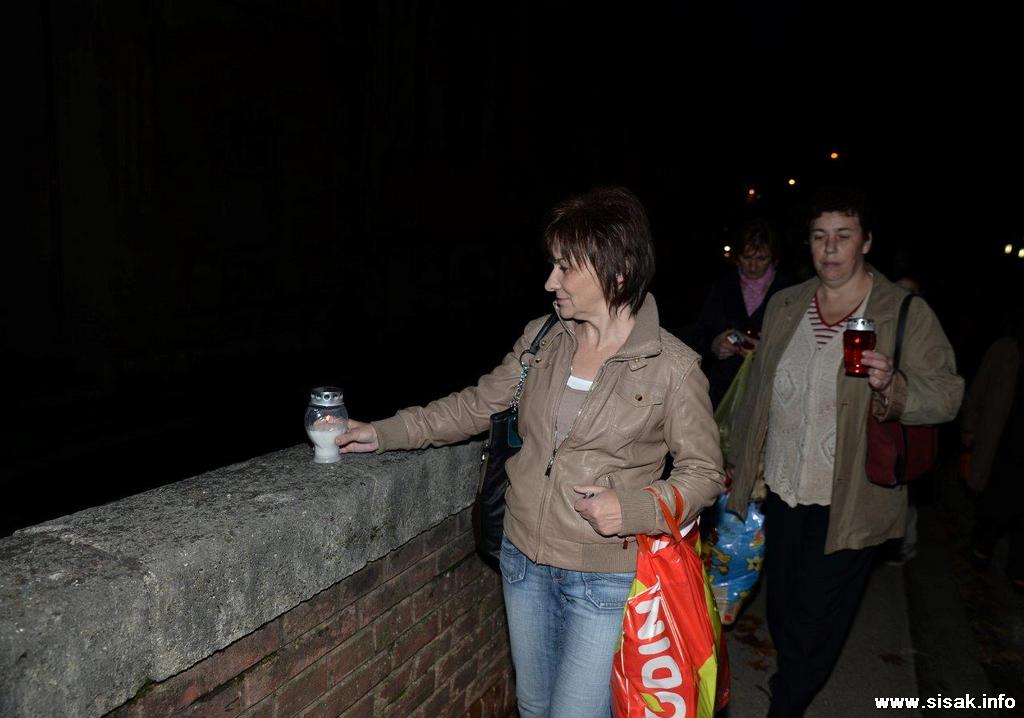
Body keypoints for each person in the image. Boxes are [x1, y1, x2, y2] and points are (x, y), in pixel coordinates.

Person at [335, 186, 725, 717]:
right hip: (522, 561)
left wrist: (632, 508)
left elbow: (704, 474)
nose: (550, 282)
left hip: (603, 577)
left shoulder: (673, 368)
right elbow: (477, 406)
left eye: (565, 268)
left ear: (616, 272)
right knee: (534, 706)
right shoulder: (543, 340)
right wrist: (384, 432)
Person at [725, 187, 964, 717]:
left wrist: (894, 386)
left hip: (851, 497)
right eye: (819, 236)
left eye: (843, 235)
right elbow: (758, 390)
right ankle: (794, 678)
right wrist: (737, 462)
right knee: (783, 609)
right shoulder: (786, 304)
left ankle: (787, 703)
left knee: (818, 617)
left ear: (867, 241)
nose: (830, 248)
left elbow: (948, 395)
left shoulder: (901, 311)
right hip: (783, 488)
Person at [697, 218, 790, 407]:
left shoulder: (788, 293)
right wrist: (714, 346)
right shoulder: (722, 287)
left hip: (768, 392)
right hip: (722, 392)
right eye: (747, 257)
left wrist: (767, 350)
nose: (753, 266)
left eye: (761, 258)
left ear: (774, 259)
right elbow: (700, 336)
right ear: (737, 257)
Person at [960, 316, 1024, 593]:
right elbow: (980, 388)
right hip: (1002, 440)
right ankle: (982, 545)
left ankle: (1019, 567)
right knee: (995, 497)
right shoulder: (1005, 349)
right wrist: (970, 427)